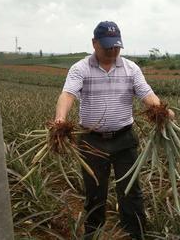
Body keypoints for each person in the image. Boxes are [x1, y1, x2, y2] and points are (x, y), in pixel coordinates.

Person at [54, 21, 173, 239]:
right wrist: (60, 120)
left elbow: (146, 93)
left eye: (116, 46)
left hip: (124, 139)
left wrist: (160, 110)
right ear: (94, 43)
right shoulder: (80, 68)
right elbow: (68, 94)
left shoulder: (131, 68)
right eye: (107, 46)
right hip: (92, 141)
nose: (112, 51)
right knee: (95, 192)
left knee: (131, 191)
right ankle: (94, 234)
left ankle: (135, 234)